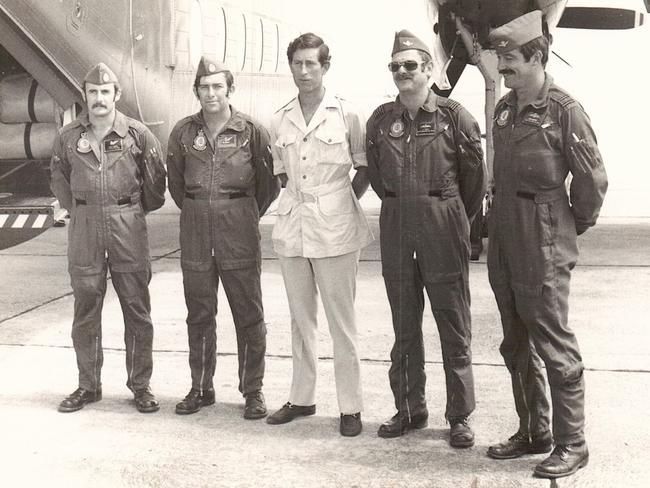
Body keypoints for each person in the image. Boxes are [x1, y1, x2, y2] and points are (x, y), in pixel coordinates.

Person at [485, 11, 608, 479]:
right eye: (499, 57)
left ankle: (572, 442)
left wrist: (568, 227)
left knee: (553, 342)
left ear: (536, 55)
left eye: (509, 58)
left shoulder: (564, 109)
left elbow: (593, 179)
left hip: (543, 236)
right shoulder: (504, 108)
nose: (501, 67)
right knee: (516, 341)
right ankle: (533, 430)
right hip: (506, 236)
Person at [366, 30, 486, 448]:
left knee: (453, 323)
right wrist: (405, 203)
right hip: (398, 221)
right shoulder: (381, 120)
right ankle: (409, 408)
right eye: (395, 66)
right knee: (404, 324)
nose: (402, 72)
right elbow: (380, 181)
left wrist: (448, 213)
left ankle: (460, 416)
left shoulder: (455, 117)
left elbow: (475, 180)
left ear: (429, 69)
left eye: (410, 65)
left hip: (443, 223)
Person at [265, 33, 373, 437]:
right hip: (294, 224)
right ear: (291, 67)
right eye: (298, 63)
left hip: (336, 225)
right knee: (299, 318)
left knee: (341, 321)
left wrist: (339, 202)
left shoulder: (346, 113)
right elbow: (280, 173)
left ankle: (351, 406)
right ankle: (302, 397)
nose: (305, 71)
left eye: (312, 63)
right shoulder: (280, 117)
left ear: (325, 67)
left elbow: (363, 168)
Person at [166, 56, 279, 419]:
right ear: (196, 90)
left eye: (217, 86)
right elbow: (176, 185)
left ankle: (253, 390)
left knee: (248, 313)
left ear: (230, 89)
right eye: (204, 86)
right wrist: (203, 210)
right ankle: (201, 387)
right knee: (199, 313)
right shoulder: (183, 133)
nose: (211, 93)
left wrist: (241, 213)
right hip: (197, 231)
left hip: (239, 232)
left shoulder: (252, 131)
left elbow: (269, 186)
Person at [50, 63, 166, 413]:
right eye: (92, 92)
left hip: (127, 225)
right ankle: (88, 386)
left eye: (105, 92)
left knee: (136, 308)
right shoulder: (69, 137)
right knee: (86, 307)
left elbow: (156, 187)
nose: (98, 99)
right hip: (85, 225)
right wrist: (85, 209)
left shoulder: (137, 135)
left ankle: (141, 386)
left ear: (116, 94)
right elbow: (59, 182)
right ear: (84, 96)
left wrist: (126, 211)